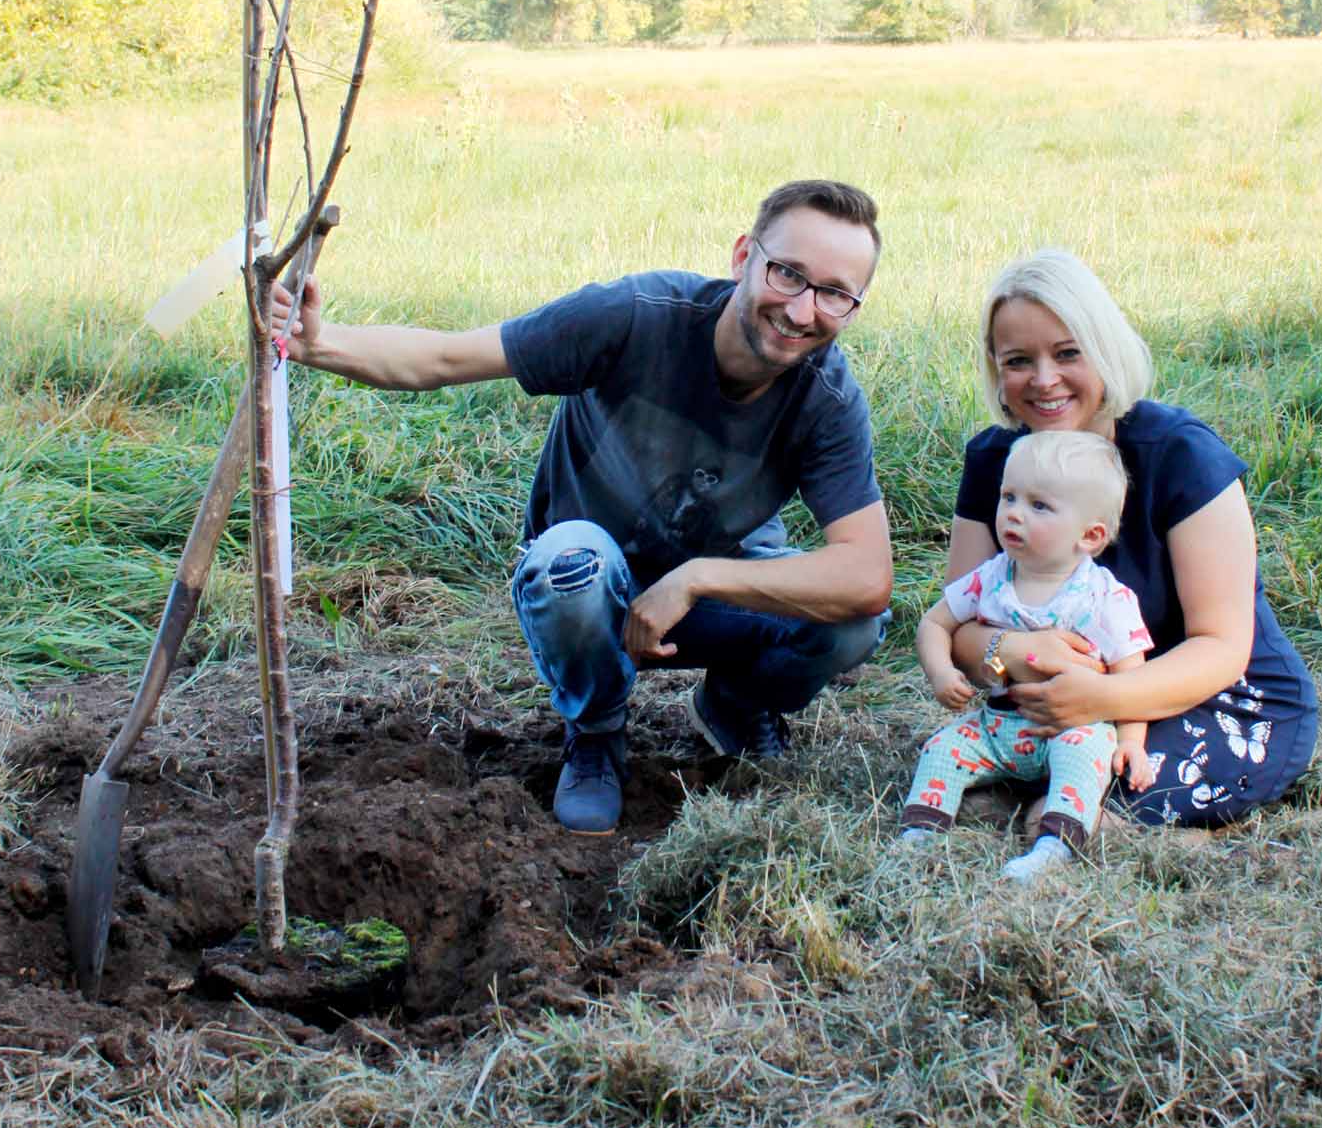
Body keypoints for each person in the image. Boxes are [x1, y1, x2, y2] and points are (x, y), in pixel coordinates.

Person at [270, 180, 893, 834]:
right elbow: (444, 357)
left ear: (853, 307)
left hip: (701, 604)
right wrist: (318, 343)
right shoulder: (633, 317)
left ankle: (735, 704)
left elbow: (866, 576)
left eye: (833, 293)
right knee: (572, 567)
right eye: (787, 273)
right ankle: (595, 729)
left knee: (853, 625)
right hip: (588, 591)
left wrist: (698, 577)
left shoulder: (827, 398)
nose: (801, 309)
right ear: (743, 256)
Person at [943, 250, 1317, 829]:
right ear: (996, 370)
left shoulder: (1182, 456)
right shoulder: (995, 460)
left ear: (1105, 349)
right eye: (1019, 361)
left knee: (1070, 811)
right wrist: (1006, 653)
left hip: (1214, 695)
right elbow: (961, 625)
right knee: (996, 784)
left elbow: (1221, 645)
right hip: (1059, 706)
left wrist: (1102, 701)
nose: (1044, 381)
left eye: (1068, 353)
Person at [902, 430, 1156, 880]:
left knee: (1083, 760)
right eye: (1009, 496)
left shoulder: (1102, 597)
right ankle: (921, 831)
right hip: (999, 721)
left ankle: (1054, 846)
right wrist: (942, 671)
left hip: (1071, 725)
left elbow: (1131, 678)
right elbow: (935, 623)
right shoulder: (992, 578)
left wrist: (1132, 743)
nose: (1014, 514)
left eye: (1039, 506)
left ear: (1091, 535)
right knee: (943, 747)